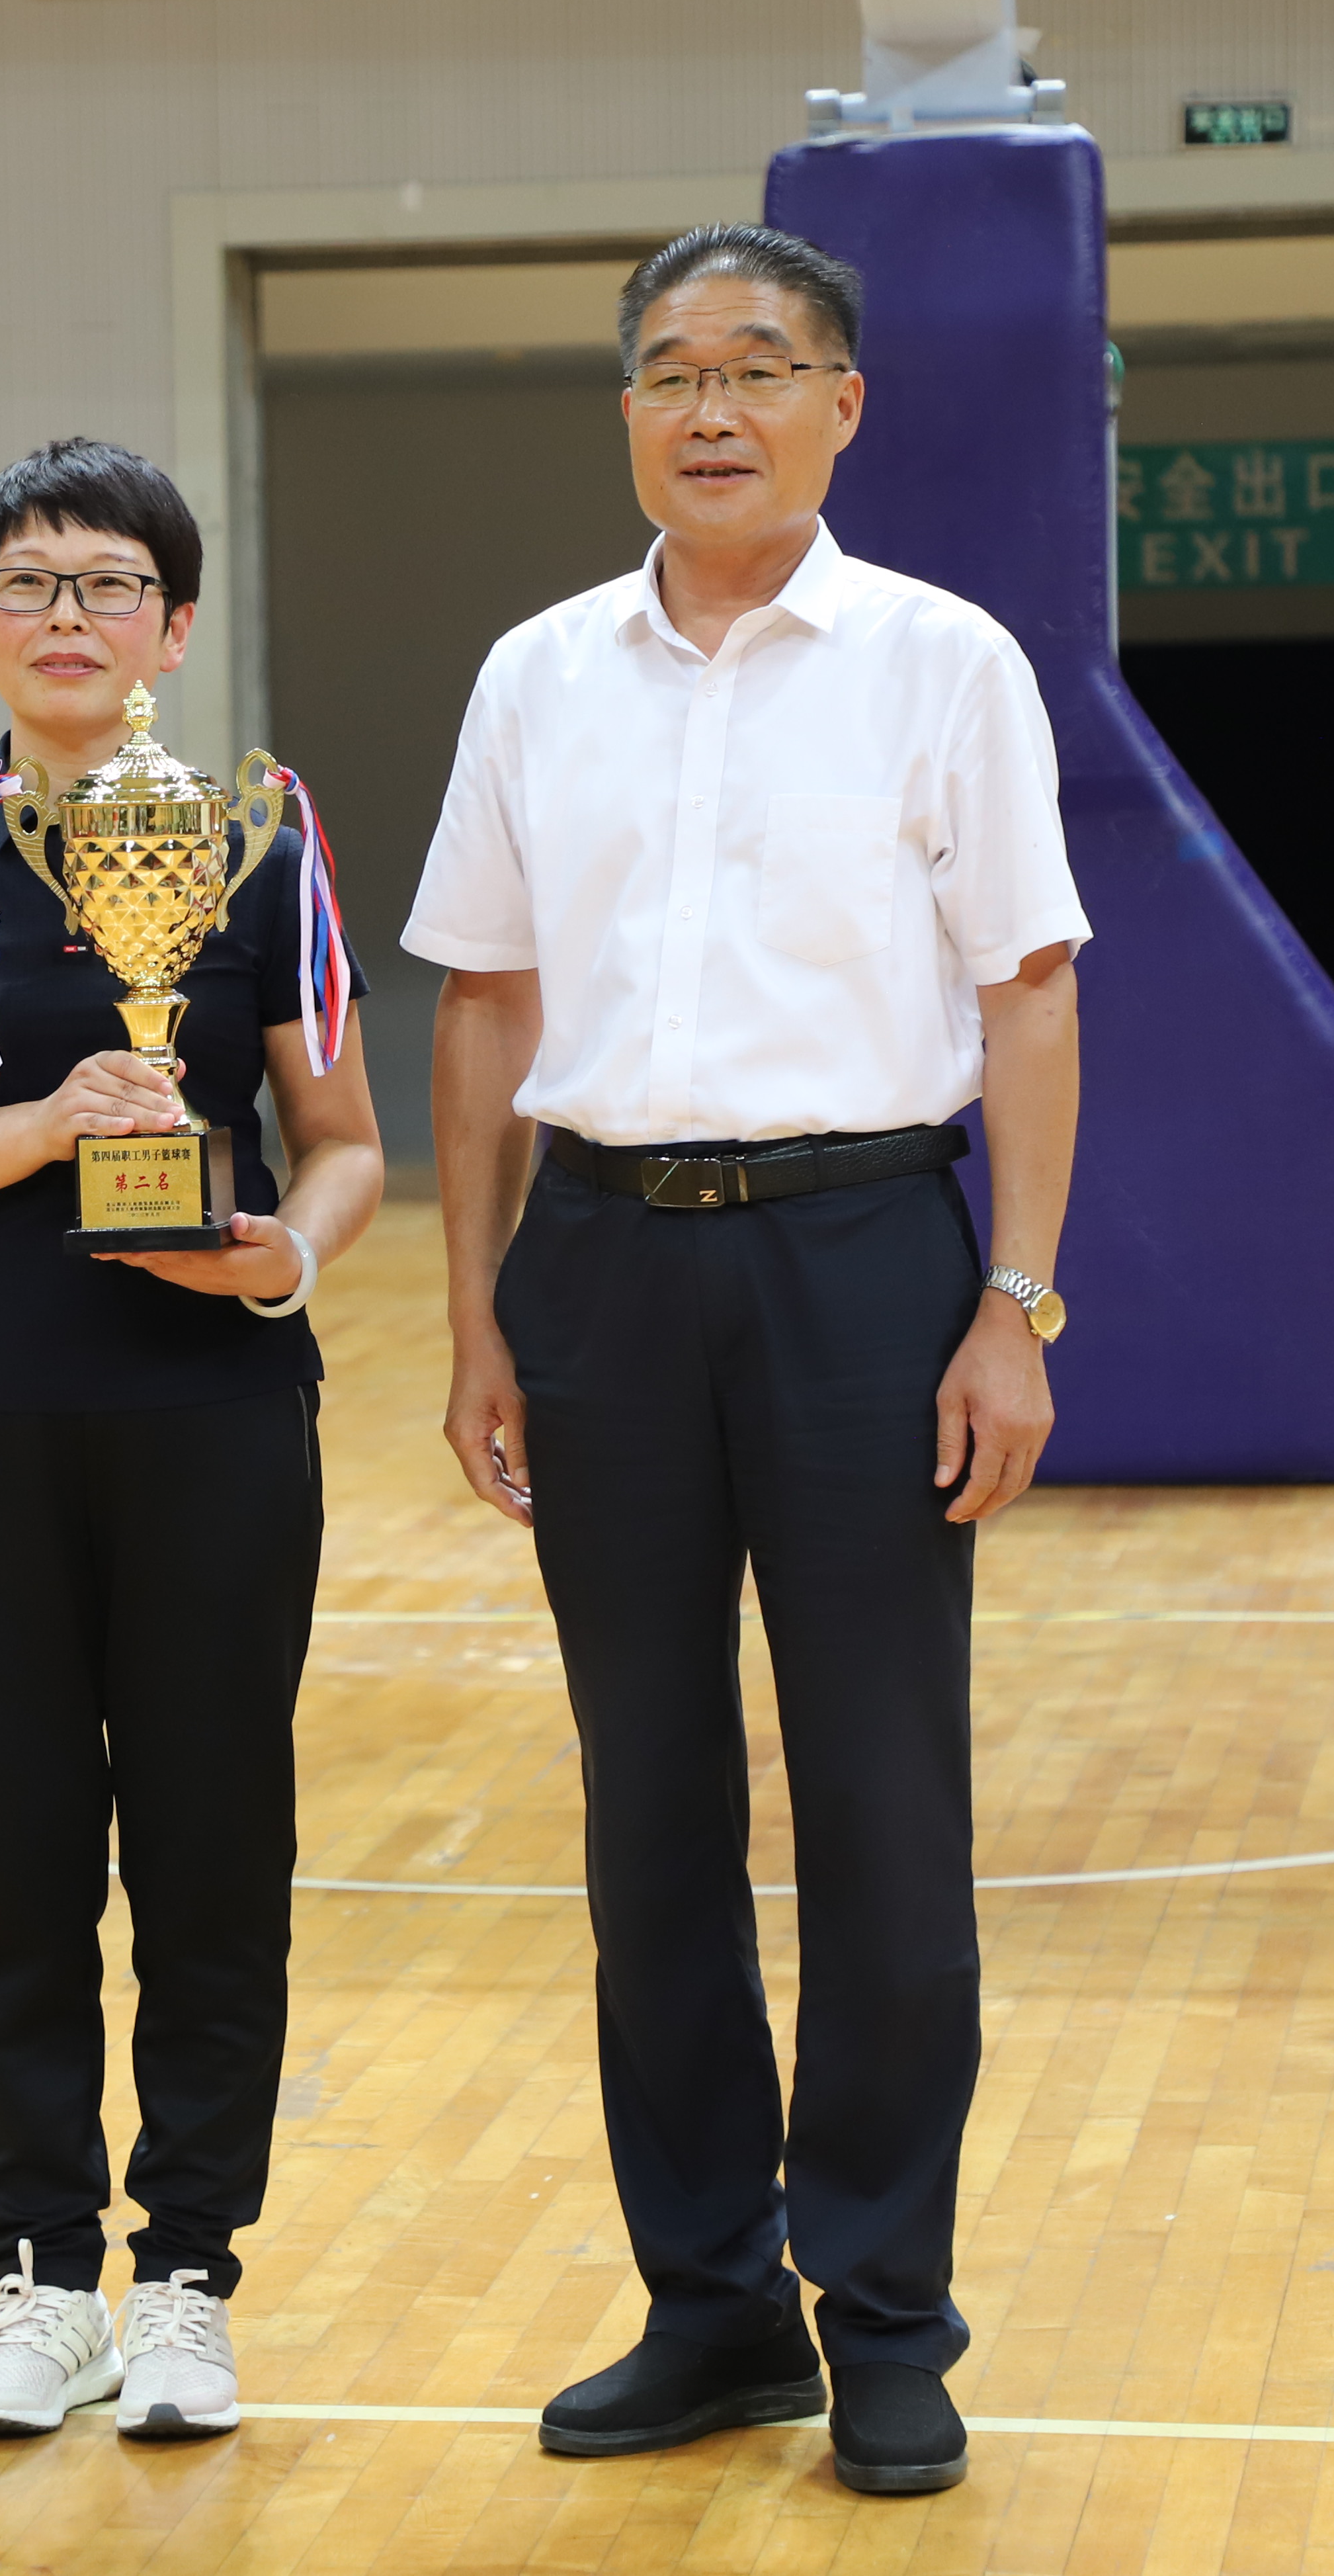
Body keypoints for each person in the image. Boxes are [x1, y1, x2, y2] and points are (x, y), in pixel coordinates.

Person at [401, 226, 1087, 2498]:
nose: (715, 407)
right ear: (625, 412)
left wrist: (1015, 1305)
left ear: (842, 406)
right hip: (600, 1261)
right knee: (647, 1806)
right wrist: (477, 1308)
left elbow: (1029, 994)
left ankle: (885, 2314)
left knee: (885, 1798)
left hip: (865, 1253)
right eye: (674, 371)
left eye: (761, 367)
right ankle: (712, 2308)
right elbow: (484, 1003)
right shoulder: (537, 676)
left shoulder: (943, 662)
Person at [0, 436, 382, 2443]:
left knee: (217, 1854)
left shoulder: (254, 846)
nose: (71, 616)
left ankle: (190, 2280)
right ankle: (45, 2279)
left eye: (112, 584)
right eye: (33, 583)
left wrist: (287, 1263)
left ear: (175, 627)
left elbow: (347, 1143)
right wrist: (51, 1127)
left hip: (214, 1418)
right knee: (13, 1863)